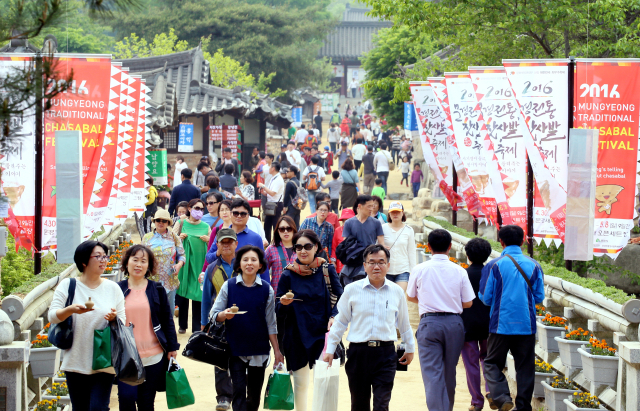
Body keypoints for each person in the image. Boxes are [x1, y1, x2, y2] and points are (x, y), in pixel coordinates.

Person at [324, 244, 414, 411]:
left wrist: (410, 347)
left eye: (381, 262)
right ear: (364, 265)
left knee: (382, 405)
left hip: (386, 355)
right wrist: (330, 349)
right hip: (359, 354)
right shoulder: (351, 290)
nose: (376, 266)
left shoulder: (397, 292)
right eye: (371, 262)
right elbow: (340, 322)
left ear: (388, 265)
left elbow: (404, 323)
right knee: (359, 405)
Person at [48, 241, 125, 410]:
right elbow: (52, 316)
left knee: (98, 407)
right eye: (98, 256)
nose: (103, 260)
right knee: (80, 407)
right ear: (83, 261)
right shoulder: (68, 286)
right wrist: (70, 310)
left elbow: (123, 323)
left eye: (105, 256)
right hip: (75, 360)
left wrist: (113, 318)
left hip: (104, 361)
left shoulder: (113, 288)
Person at [407, 229, 475, 411]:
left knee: (432, 374)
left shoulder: (420, 269)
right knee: (449, 372)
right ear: (450, 247)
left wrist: (428, 301)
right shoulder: (460, 271)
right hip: (454, 324)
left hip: (429, 324)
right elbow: (468, 302)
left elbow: (411, 296)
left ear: (428, 247)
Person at [210, 246, 284, 411]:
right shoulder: (229, 286)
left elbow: (271, 323)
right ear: (239, 264)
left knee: (254, 397)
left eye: (253, 260)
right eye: (245, 259)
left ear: (260, 265)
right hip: (235, 349)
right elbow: (213, 314)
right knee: (238, 395)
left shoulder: (267, 289)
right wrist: (224, 314)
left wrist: (277, 351)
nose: (249, 263)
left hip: (260, 350)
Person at [479, 225, 545, 411]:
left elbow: (486, 298)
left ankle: (502, 396)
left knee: (491, 362)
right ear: (523, 241)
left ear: (501, 241)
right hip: (526, 324)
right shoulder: (534, 265)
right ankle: (523, 407)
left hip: (501, 324)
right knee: (525, 367)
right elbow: (539, 297)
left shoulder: (494, 265)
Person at [277, 230, 343, 411]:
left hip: (322, 334)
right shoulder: (288, 274)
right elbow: (277, 308)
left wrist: (333, 317)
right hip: (296, 334)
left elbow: (341, 298)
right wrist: (283, 303)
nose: (302, 251)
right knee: (300, 385)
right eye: (298, 247)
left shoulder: (326, 270)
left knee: (324, 383)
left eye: (307, 246)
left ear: (316, 248)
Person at [116, 245, 180, 411]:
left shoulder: (156, 289)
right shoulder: (117, 289)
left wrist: (172, 347)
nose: (138, 264)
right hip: (126, 356)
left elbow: (167, 319)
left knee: (146, 401)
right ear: (126, 263)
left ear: (149, 266)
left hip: (153, 355)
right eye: (135, 259)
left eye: (143, 261)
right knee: (126, 398)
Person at [200, 228, 239, 410]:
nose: (226, 245)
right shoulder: (211, 268)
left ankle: (239, 392)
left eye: (229, 242)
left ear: (235, 244)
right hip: (219, 319)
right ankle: (223, 396)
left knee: (242, 357)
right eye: (222, 242)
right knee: (220, 357)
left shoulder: (244, 264)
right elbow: (207, 298)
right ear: (217, 245)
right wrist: (204, 323)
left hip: (242, 319)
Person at [461, 238, 493, 411]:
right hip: (489, 324)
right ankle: (490, 391)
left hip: (467, 324)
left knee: (471, 363)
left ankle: (476, 401)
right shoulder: (492, 274)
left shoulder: (462, 274)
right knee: (488, 359)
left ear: (468, 254)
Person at [176, 198, 211, 333]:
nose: (199, 211)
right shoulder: (181, 223)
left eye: (202, 209)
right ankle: (182, 325)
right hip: (184, 264)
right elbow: (171, 240)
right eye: (197, 208)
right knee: (183, 292)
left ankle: (197, 327)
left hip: (200, 264)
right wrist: (179, 238)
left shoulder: (206, 227)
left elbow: (213, 245)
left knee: (198, 294)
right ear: (189, 209)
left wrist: (208, 240)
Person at [142, 209, 186, 317]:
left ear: (168, 223)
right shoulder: (147, 237)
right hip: (151, 280)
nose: (161, 223)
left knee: (169, 311)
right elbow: (141, 257)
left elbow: (182, 256)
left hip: (169, 280)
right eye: (158, 220)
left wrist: (179, 265)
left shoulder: (174, 237)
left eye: (164, 221)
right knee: (152, 311)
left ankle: (168, 333)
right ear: (154, 222)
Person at [340, 195, 385, 285]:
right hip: (353, 261)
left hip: (370, 261)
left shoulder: (376, 223)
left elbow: (381, 243)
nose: (371, 209)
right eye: (369, 206)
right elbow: (346, 244)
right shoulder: (349, 223)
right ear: (359, 206)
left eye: (372, 206)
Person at [205, 198, 265, 264]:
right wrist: (219, 252)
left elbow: (263, 264)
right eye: (236, 213)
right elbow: (208, 258)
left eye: (243, 214)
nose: (239, 216)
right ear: (230, 214)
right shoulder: (221, 235)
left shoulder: (255, 238)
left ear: (248, 216)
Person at [382, 202, 415, 292]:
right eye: (393, 212)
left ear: (402, 213)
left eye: (398, 212)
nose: (395, 214)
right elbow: (377, 246)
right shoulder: (383, 228)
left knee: (399, 295)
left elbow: (411, 251)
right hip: (386, 269)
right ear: (389, 214)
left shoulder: (409, 230)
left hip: (403, 269)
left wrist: (413, 271)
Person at [265, 215, 298, 292]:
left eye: (289, 228)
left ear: (293, 230)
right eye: (282, 229)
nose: (285, 231)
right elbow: (263, 271)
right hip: (277, 294)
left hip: (298, 295)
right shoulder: (271, 249)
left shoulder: (301, 248)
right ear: (278, 231)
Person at [258, 162, 285, 243]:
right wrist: (263, 192)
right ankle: (267, 242)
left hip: (276, 204)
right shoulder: (273, 178)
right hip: (271, 203)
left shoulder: (278, 179)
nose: (269, 169)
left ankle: (277, 242)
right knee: (267, 225)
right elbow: (270, 193)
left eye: (270, 168)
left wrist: (263, 186)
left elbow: (273, 193)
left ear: (273, 168)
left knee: (275, 224)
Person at [202, 200, 233, 272]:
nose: (224, 212)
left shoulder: (237, 228)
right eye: (222, 210)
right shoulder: (216, 230)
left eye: (227, 209)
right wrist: (204, 271)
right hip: (218, 269)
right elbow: (209, 251)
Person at [331, 208, 355, 274]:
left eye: (349, 220)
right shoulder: (338, 230)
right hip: (340, 263)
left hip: (354, 262)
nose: (347, 223)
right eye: (345, 221)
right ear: (342, 221)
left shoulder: (357, 230)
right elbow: (334, 247)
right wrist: (333, 261)